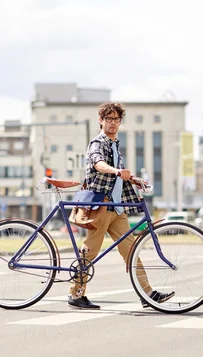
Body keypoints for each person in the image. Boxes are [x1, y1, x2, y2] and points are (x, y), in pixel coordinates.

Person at [68, 102, 175, 310]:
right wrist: (116, 171)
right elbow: (98, 163)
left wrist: (133, 179)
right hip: (101, 205)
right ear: (101, 120)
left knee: (132, 251)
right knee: (90, 252)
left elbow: (120, 172)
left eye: (116, 119)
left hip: (117, 209)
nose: (113, 123)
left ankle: (148, 294)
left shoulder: (115, 144)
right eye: (108, 119)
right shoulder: (98, 143)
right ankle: (75, 294)